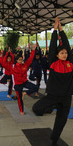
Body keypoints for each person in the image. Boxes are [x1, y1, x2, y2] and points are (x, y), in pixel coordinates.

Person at [33, 18, 73, 146]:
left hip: (66, 98)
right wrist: (55, 30)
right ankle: (53, 107)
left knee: (61, 122)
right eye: (62, 53)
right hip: (53, 96)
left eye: (66, 53)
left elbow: (66, 45)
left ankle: (54, 141)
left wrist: (62, 30)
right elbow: (52, 46)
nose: (65, 54)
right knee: (36, 108)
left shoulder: (70, 64)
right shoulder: (53, 63)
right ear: (56, 55)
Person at [13, 44, 38, 115]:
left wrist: (33, 50)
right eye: (19, 60)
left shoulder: (25, 65)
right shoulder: (14, 67)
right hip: (18, 84)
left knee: (35, 87)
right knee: (20, 99)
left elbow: (30, 58)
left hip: (24, 82)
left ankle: (25, 93)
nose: (21, 61)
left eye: (22, 59)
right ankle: (21, 110)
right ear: (17, 60)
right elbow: (17, 76)